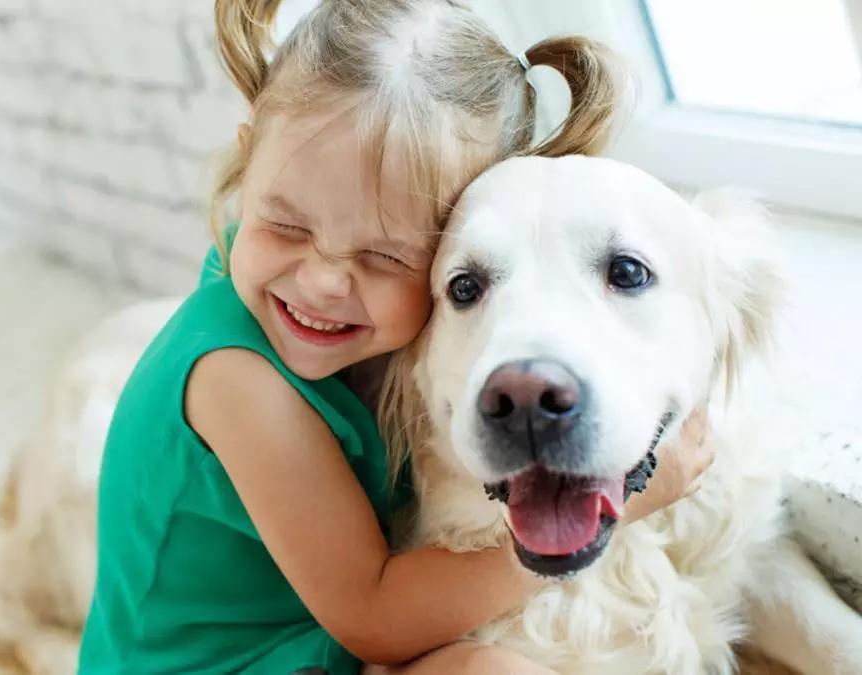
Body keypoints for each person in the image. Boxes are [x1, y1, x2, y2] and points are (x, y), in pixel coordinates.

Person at [78, 1, 713, 672]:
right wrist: (627, 502)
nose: (322, 281)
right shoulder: (237, 383)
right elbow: (374, 618)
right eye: (287, 226)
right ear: (248, 162)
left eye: (383, 257)